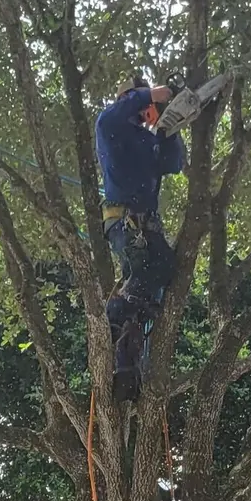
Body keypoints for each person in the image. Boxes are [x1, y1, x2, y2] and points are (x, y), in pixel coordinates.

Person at [95, 75, 186, 400]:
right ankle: (113, 319)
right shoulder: (110, 127)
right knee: (141, 271)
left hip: (147, 223)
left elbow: (173, 163)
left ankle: (126, 367)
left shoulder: (147, 140)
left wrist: (167, 129)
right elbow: (114, 115)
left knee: (162, 271)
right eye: (136, 99)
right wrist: (149, 93)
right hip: (124, 220)